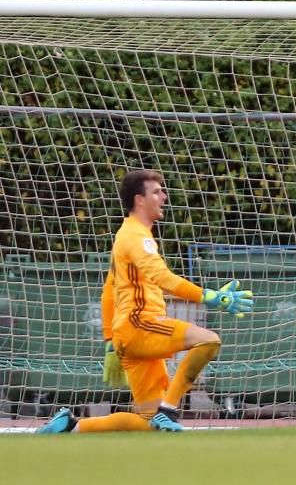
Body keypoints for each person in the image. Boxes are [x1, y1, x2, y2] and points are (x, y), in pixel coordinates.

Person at [37, 170, 253, 434]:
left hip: (128, 334)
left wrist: (109, 343)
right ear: (140, 200)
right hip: (141, 325)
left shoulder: (127, 235)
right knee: (208, 340)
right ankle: (168, 410)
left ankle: (70, 426)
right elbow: (164, 277)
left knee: (146, 422)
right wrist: (209, 296)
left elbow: (108, 291)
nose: (164, 196)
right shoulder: (137, 238)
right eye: (157, 191)